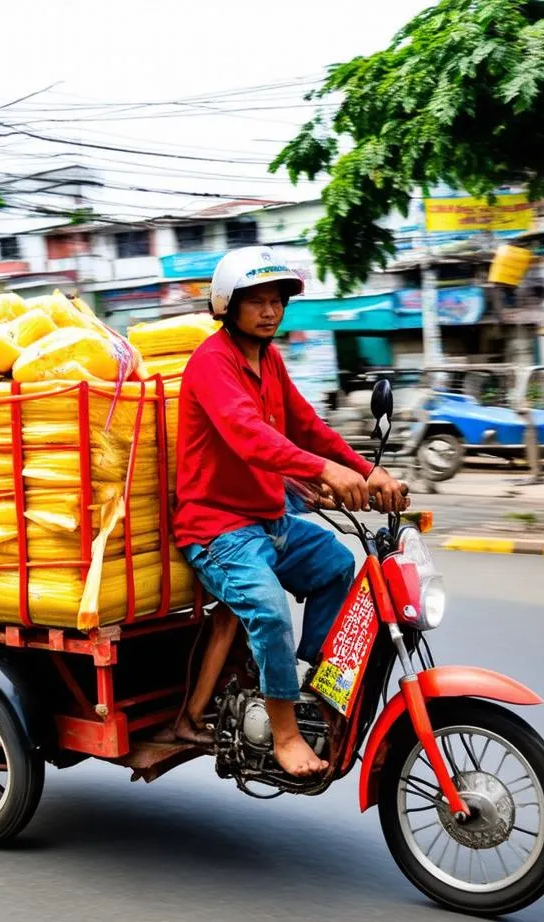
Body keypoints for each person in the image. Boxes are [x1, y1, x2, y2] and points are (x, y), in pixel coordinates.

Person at [172, 247, 409, 777]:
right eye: (256, 300)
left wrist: (367, 472)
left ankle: (307, 682)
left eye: (277, 300)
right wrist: (324, 473)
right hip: (217, 528)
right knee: (270, 609)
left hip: (266, 520)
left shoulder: (271, 360)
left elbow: (306, 428)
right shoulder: (212, 363)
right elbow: (250, 437)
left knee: (334, 563)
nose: (270, 310)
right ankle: (284, 733)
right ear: (227, 305)